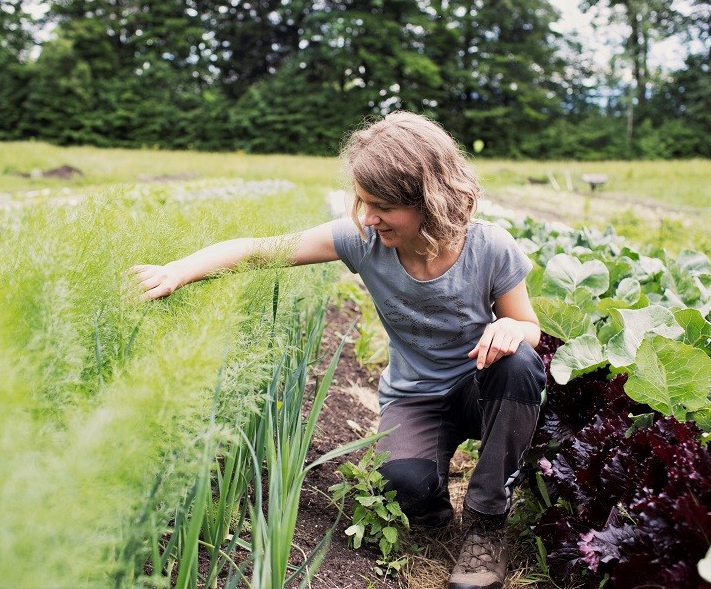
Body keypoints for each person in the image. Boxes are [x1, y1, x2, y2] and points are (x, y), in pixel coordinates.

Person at [132, 111, 546, 589]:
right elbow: (260, 249)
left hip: (480, 386)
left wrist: (512, 328)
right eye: (363, 202)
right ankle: (434, 507)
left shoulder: (490, 247)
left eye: (383, 206)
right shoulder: (364, 240)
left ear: (429, 201)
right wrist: (177, 271)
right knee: (405, 486)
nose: (368, 216)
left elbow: (530, 327)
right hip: (415, 400)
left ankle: (485, 526)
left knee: (519, 363)